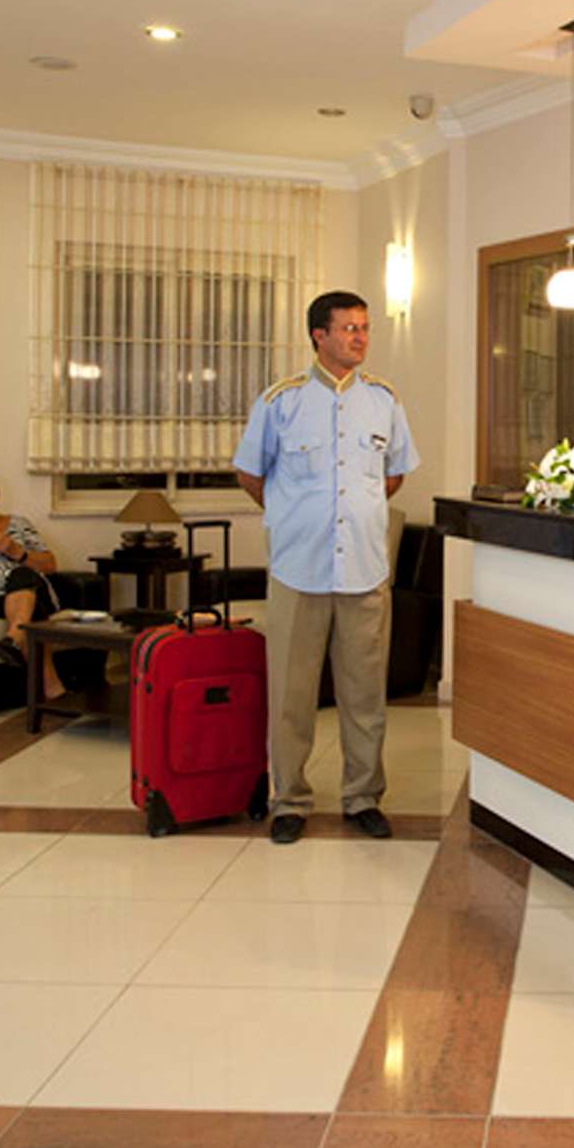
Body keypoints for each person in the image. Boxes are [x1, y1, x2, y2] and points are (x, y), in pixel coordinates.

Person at [233, 289, 418, 845]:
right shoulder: (281, 401)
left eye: (365, 328)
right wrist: (292, 515)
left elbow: (393, 474)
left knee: (365, 697)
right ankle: (289, 799)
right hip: (299, 569)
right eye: (348, 328)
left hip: (364, 570)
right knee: (291, 696)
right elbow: (250, 474)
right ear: (320, 335)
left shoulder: (383, 400)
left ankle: (363, 797)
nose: (360, 338)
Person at [0, 467, 97, 696]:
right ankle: (51, 687)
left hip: (32, 585)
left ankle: (14, 639)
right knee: (33, 611)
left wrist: (17, 552)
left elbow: (50, 564)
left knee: (21, 575)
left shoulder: (19, 525)